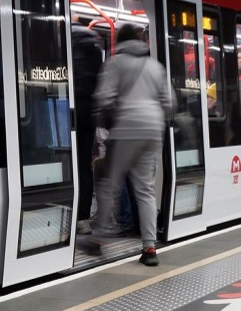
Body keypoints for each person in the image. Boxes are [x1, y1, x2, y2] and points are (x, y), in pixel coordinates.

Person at [90, 24, 173, 266]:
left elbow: (103, 99)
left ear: (119, 41)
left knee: (108, 183)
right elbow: (169, 103)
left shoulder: (115, 63)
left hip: (126, 128)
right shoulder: (156, 67)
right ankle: (149, 248)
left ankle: (98, 240)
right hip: (153, 130)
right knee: (145, 189)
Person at [70, 24, 105, 231]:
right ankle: (83, 217)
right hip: (89, 117)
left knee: (68, 165)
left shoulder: (67, 43)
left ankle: (70, 211)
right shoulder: (94, 48)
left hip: (69, 115)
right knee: (84, 166)